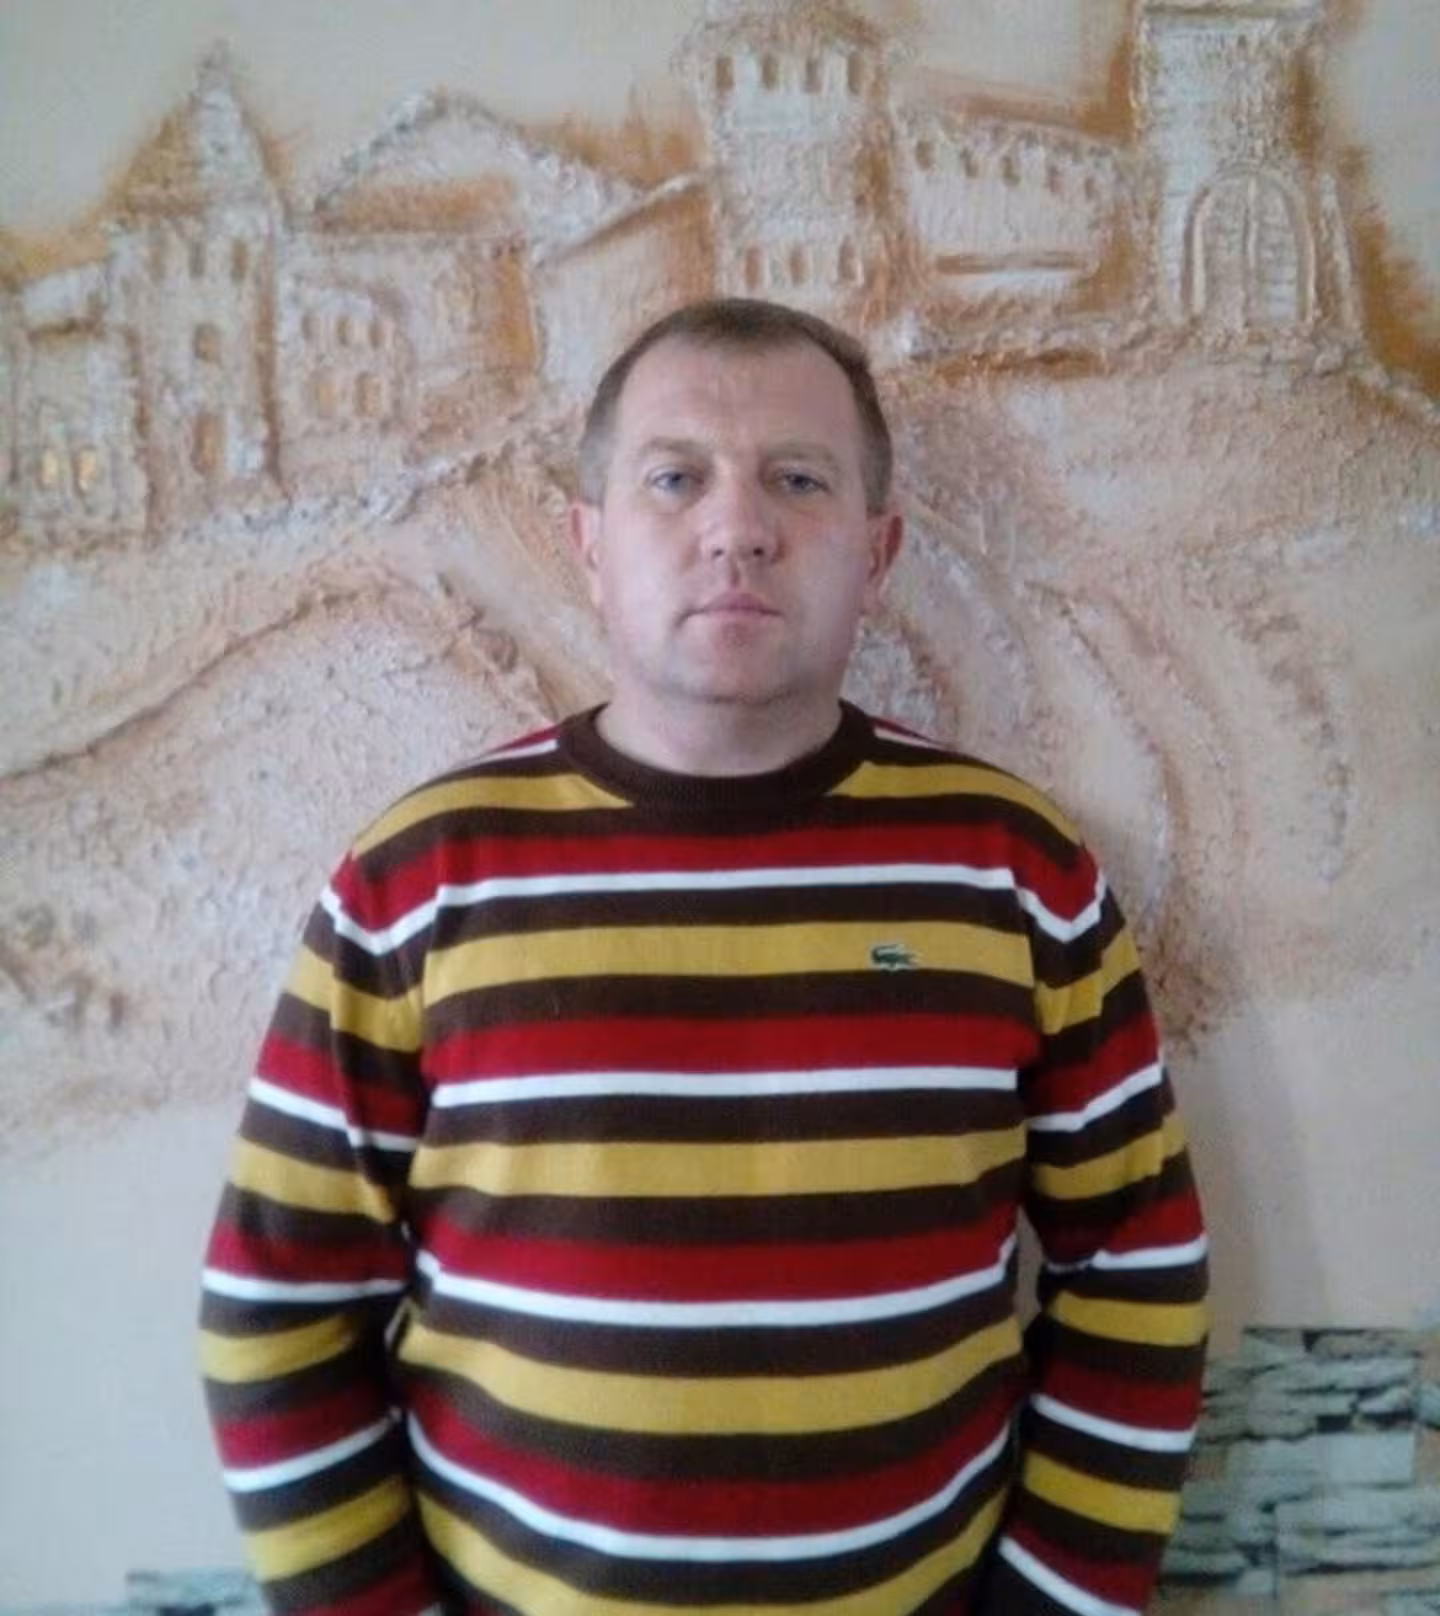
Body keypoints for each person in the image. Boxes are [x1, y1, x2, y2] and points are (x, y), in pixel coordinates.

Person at [200, 297, 1208, 1616]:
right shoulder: (417, 881)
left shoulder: (1020, 873)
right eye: (675, 479)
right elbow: (278, 1306)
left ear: (879, 552)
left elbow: (1135, 1266)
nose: (738, 528)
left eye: (800, 480)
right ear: (591, 544)